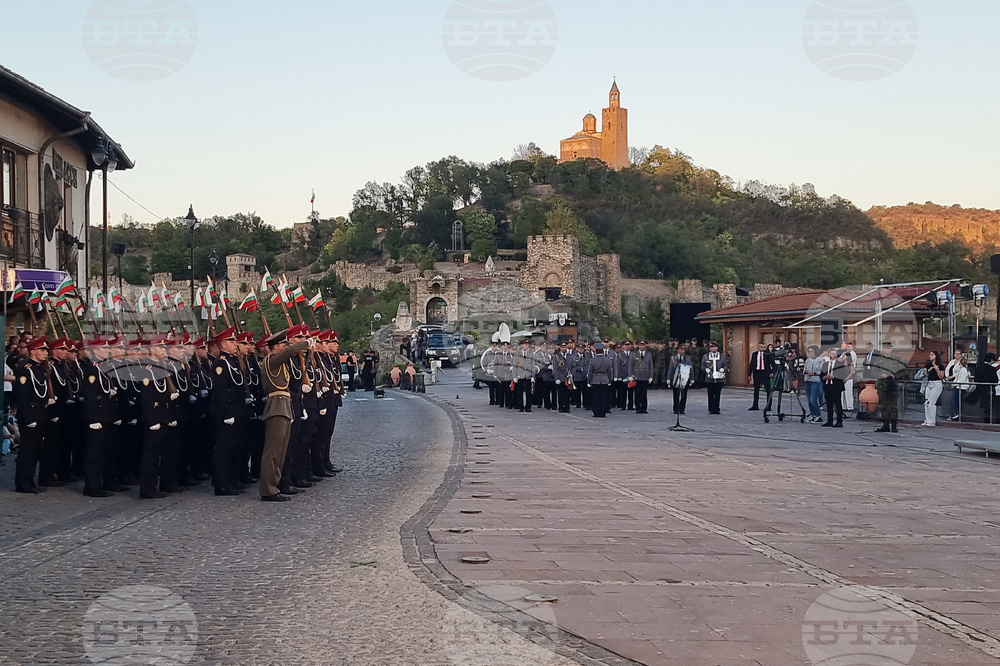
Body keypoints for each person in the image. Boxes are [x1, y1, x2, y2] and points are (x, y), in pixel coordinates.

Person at [258, 328, 312, 502]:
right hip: (277, 405)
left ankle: (275, 485)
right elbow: (289, 352)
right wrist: (304, 344)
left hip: (284, 405)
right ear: (275, 347)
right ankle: (268, 489)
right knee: (273, 451)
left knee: (281, 451)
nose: (286, 347)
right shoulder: (272, 360)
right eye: (283, 344)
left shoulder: (279, 363)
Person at [12, 338, 53, 494]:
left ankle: (29, 480)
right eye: (42, 350)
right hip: (30, 413)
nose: (45, 353)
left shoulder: (38, 368)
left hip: (40, 412)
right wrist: (28, 418)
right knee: (27, 451)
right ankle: (22, 482)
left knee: (35, 450)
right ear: (33, 351)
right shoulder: (25, 368)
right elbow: (22, 395)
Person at [874, 345, 907, 433]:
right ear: (883, 349)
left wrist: (894, 376)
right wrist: (880, 375)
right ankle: (885, 425)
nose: (888, 350)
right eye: (887, 348)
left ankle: (894, 425)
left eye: (890, 348)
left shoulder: (897, 359)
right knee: (884, 406)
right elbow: (874, 371)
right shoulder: (879, 360)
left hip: (892, 385)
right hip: (883, 385)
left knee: (893, 406)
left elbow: (903, 371)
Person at [821, 348, 849, 428]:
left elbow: (843, 375)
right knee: (829, 404)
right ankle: (829, 420)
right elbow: (821, 374)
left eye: (835, 354)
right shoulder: (825, 364)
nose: (834, 355)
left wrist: (834, 377)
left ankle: (839, 421)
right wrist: (824, 377)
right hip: (827, 385)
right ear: (829, 355)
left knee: (837, 404)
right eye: (832, 354)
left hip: (836, 386)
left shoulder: (839, 364)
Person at [587, 342, 614, 417]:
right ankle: (602, 412)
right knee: (603, 397)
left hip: (595, 379)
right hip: (604, 379)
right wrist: (609, 380)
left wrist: (589, 381)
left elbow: (590, 372)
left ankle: (596, 412)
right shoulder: (607, 360)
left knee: (595, 397)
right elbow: (609, 371)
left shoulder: (592, 360)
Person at [972, 353, 999, 423]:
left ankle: (985, 420)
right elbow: (995, 380)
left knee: (984, 406)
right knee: (991, 406)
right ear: (991, 360)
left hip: (981, 389)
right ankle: (991, 420)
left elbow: (976, 379)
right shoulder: (992, 369)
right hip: (990, 390)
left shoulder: (978, 368)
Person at [702, 340, 727, 414]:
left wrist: (723, 369)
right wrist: (706, 369)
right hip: (709, 379)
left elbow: (725, 365)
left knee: (717, 394)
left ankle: (716, 408)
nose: (711, 348)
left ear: (716, 348)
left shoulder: (721, 356)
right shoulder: (706, 356)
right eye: (710, 347)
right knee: (710, 394)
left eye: (713, 347)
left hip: (719, 379)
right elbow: (702, 365)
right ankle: (711, 408)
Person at [667, 347, 693, 415]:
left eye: (684, 350)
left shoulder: (687, 358)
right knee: (676, 394)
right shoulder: (673, 358)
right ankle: (676, 409)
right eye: (681, 349)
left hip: (685, 378)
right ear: (678, 350)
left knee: (684, 394)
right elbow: (670, 368)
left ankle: (682, 409)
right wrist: (669, 379)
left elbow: (691, 368)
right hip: (676, 378)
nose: (683, 351)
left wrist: (692, 378)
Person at [747, 342, 774, 411]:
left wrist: (772, 372)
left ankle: (768, 405)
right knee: (756, 390)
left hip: (765, 373)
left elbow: (773, 364)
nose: (763, 349)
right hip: (757, 373)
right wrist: (749, 374)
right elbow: (751, 364)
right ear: (758, 347)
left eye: (764, 347)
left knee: (768, 390)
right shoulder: (755, 354)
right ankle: (755, 405)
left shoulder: (767, 354)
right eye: (761, 347)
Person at [921, 350, 945, 427]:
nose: (930, 356)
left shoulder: (940, 365)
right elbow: (927, 374)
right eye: (930, 354)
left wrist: (937, 369)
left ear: (936, 356)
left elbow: (941, 376)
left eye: (932, 355)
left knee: (931, 402)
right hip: (929, 383)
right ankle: (927, 419)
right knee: (926, 402)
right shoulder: (928, 364)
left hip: (937, 384)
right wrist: (926, 373)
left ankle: (932, 420)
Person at [945, 351, 970, 421]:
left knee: (956, 401)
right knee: (954, 400)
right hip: (957, 387)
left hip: (961, 388)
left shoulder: (964, 370)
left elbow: (961, 380)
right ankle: (954, 414)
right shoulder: (961, 369)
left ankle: (956, 414)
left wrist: (955, 384)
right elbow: (957, 378)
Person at [803, 346, 824, 423]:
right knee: (809, 399)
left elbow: (822, 371)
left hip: (816, 380)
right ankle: (813, 414)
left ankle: (818, 415)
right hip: (807, 380)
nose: (810, 353)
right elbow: (804, 369)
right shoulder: (807, 360)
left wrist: (814, 373)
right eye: (809, 352)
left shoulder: (820, 360)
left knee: (813, 399)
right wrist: (806, 372)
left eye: (812, 352)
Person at [633, 341, 654, 414]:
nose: (642, 346)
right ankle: (638, 407)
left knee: (644, 393)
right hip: (637, 376)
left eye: (643, 345)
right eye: (640, 345)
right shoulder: (634, 354)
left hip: (645, 375)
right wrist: (630, 375)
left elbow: (651, 365)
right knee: (637, 393)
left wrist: (651, 376)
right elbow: (631, 366)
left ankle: (644, 408)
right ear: (638, 345)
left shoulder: (648, 354)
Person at [841, 342, 858, 412]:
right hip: (842, 378)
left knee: (849, 393)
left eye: (850, 347)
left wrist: (847, 378)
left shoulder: (851, 362)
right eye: (847, 346)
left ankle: (850, 406)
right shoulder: (842, 364)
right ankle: (843, 406)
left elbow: (852, 372)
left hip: (849, 379)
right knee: (842, 393)